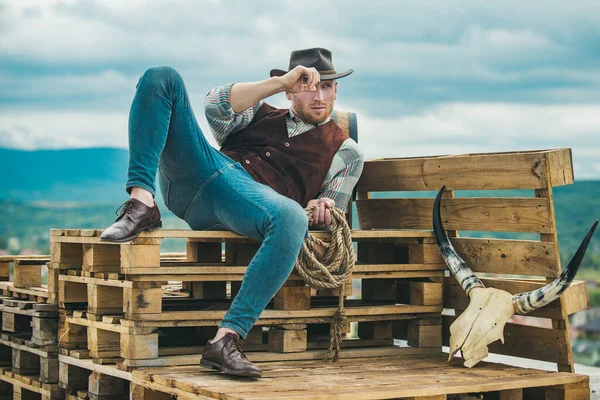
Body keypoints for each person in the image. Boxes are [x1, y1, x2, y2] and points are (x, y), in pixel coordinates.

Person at [99, 48, 364, 378]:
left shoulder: (346, 151)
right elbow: (214, 104)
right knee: (161, 76)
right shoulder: (258, 112)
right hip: (199, 173)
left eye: (327, 86)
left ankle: (226, 340)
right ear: (290, 89)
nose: (318, 94)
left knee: (292, 216)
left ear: (336, 90)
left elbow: (331, 209)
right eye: (308, 85)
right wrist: (280, 82)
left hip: (248, 206)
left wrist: (320, 207)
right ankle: (142, 202)